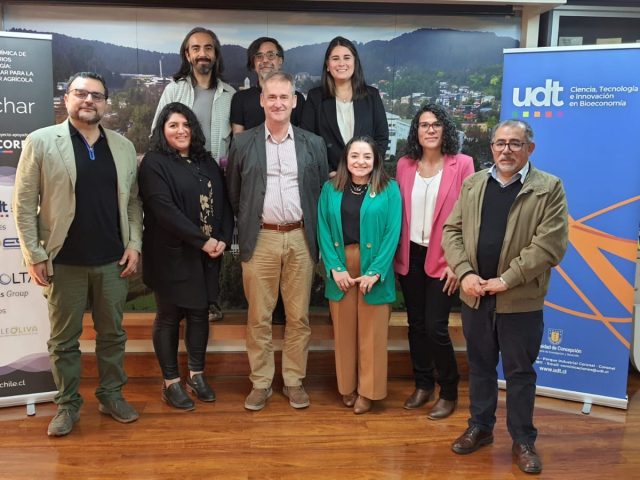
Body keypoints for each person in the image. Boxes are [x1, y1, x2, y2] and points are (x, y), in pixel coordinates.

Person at [13, 72, 142, 436]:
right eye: (81, 94)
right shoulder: (41, 141)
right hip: (63, 262)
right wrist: (33, 253)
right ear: (67, 99)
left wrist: (134, 244)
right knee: (64, 341)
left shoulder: (122, 146)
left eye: (97, 96)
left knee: (113, 335)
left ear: (105, 103)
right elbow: (23, 203)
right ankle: (68, 405)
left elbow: (133, 201)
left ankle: (111, 395)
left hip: (112, 261)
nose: (89, 100)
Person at [442, 119, 569, 474]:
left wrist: (506, 279)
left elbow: (550, 245)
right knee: (481, 367)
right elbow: (451, 231)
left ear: (530, 148)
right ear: (492, 147)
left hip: (520, 300)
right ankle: (480, 428)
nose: (506, 150)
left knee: (519, 373)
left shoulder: (549, 188)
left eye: (515, 143)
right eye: (500, 143)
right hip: (475, 296)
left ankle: (524, 440)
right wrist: (466, 273)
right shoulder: (473, 184)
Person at [226, 71, 328, 411]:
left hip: (301, 238)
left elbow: (319, 194)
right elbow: (235, 194)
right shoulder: (242, 143)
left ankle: (294, 381)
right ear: (261, 100)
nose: (278, 103)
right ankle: (261, 383)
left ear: (294, 101)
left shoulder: (312, 143)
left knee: (299, 318)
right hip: (262, 238)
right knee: (259, 317)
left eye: (285, 97)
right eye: (272, 97)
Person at [138, 103, 233, 410]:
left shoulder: (206, 161)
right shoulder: (154, 163)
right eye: (173, 125)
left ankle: (196, 375)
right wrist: (202, 241)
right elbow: (164, 210)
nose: (181, 131)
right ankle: (170, 383)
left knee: (198, 314)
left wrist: (221, 238)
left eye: (186, 125)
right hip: (170, 255)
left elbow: (225, 203)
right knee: (168, 317)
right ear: (162, 131)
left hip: (206, 256)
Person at [394, 104, 474, 419]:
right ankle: (423, 384)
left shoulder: (463, 164)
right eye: (424, 124)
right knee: (415, 325)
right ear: (416, 130)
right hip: (410, 255)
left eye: (436, 124)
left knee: (435, 327)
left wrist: (459, 263)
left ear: (445, 130)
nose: (430, 129)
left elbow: (470, 217)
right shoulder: (404, 165)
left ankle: (449, 390)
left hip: (445, 258)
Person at [151, 26, 234, 322]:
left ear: (215, 54)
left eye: (208, 48)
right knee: (184, 238)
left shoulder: (229, 94)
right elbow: (157, 132)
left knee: (212, 243)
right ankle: (179, 301)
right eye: (196, 48)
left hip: (212, 178)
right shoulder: (174, 90)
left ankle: (210, 301)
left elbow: (233, 142)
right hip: (178, 177)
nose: (202, 53)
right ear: (187, 55)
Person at [317, 136, 401, 414]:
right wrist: (335, 267)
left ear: (376, 160)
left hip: (374, 267)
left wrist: (375, 271)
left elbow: (392, 233)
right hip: (341, 264)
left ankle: (369, 391)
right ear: (345, 159)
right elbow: (323, 230)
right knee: (344, 331)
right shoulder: (330, 189)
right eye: (354, 156)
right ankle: (348, 387)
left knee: (372, 333)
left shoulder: (389, 190)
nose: (360, 162)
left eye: (367, 156)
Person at [230, 36, 306, 325]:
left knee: (297, 318)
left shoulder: (306, 135)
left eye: (272, 54)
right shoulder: (242, 101)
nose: (266, 59)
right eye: (259, 55)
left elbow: (308, 162)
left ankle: (294, 373)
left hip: (296, 230)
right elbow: (235, 188)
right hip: (260, 225)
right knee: (259, 316)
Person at [301, 36, 389, 177]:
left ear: (355, 62)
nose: (341, 63)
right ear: (328, 65)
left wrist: (367, 169)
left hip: (366, 178)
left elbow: (382, 137)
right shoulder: (315, 97)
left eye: (347, 57)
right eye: (335, 58)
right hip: (328, 181)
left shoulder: (372, 96)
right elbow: (306, 140)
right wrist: (327, 171)